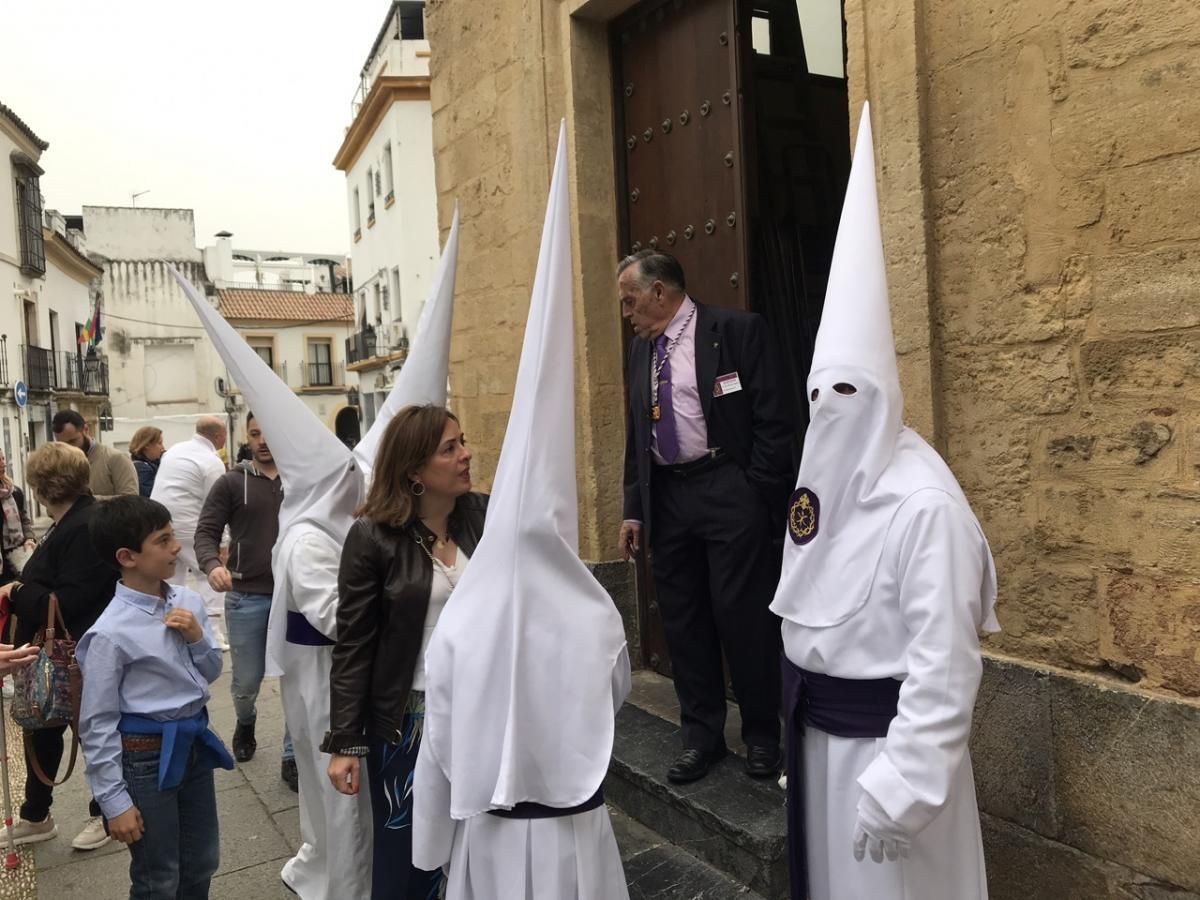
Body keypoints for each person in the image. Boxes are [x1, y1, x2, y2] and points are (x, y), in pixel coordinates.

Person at [770, 105, 998, 900]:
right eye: (817, 394)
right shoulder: (822, 485)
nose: (830, 408)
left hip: (889, 767)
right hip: (822, 750)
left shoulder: (924, 506)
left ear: (885, 394)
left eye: (849, 392)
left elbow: (945, 665)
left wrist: (903, 789)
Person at [414, 125, 630, 898]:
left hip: (493, 843)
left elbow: (439, 742)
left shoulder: (464, 622)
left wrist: (432, 841)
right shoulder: (596, 615)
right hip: (577, 835)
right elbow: (614, 697)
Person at [617, 248, 793, 784]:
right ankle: (702, 738)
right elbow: (636, 435)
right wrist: (633, 507)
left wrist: (754, 492)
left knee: (744, 617)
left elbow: (774, 416)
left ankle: (763, 735)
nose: (626, 313)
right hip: (668, 498)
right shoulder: (640, 351)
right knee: (684, 622)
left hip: (727, 489)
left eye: (630, 301)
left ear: (660, 292)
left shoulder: (736, 331)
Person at [323, 405, 484, 899]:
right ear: (414, 470)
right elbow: (354, 644)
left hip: (484, 713)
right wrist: (346, 741)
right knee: (410, 851)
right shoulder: (372, 538)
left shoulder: (485, 515)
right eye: (449, 448)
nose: (466, 454)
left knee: (479, 844)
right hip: (411, 722)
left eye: (463, 441)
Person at [80, 495, 234, 899]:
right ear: (127, 557)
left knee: (202, 859)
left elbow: (212, 670)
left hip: (193, 745)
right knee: (158, 876)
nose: (176, 547)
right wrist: (113, 800)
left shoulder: (186, 601)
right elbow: (96, 722)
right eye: (163, 540)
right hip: (144, 758)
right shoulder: (110, 634)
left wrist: (198, 639)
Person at [0, 442, 118, 850]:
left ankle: (106, 811)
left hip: (77, 649)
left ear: (40, 487)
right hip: (57, 651)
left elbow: (68, 599)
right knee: (43, 728)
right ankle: (37, 814)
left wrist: (17, 592)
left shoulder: (85, 524)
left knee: (91, 729)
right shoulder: (75, 519)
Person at [193, 412, 296, 790]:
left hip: (296, 597)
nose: (263, 441)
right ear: (246, 437)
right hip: (247, 596)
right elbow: (205, 531)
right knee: (247, 681)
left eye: (268, 433)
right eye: (255, 434)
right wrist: (210, 566)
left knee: (296, 680)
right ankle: (246, 720)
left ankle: (291, 754)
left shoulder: (302, 479)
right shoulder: (231, 482)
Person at [151, 417, 229, 648]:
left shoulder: (175, 450)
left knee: (172, 575)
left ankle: (170, 624)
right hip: (190, 522)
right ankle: (212, 631)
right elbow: (218, 504)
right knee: (209, 572)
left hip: (161, 520)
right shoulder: (212, 462)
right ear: (218, 437)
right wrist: (223, 544)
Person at [51, 409, 138, 498]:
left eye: (73, 441)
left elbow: (131, 500)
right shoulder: (60, 465)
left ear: (86, 429)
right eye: (63, 444)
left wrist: (86, 503)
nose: (69, 448)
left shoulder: (116, 459)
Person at [0, 448, 37, 585]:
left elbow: (24, 520)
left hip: (16, 562)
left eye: (3, 459)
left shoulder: (14, 492)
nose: (2, 463)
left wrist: (29, 538)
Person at [129, 426, 166, 498]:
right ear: (147, 445)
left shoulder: (151, 465)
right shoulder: (142, 469)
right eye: (159, 443)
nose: (163, 447)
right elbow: (152, 496)